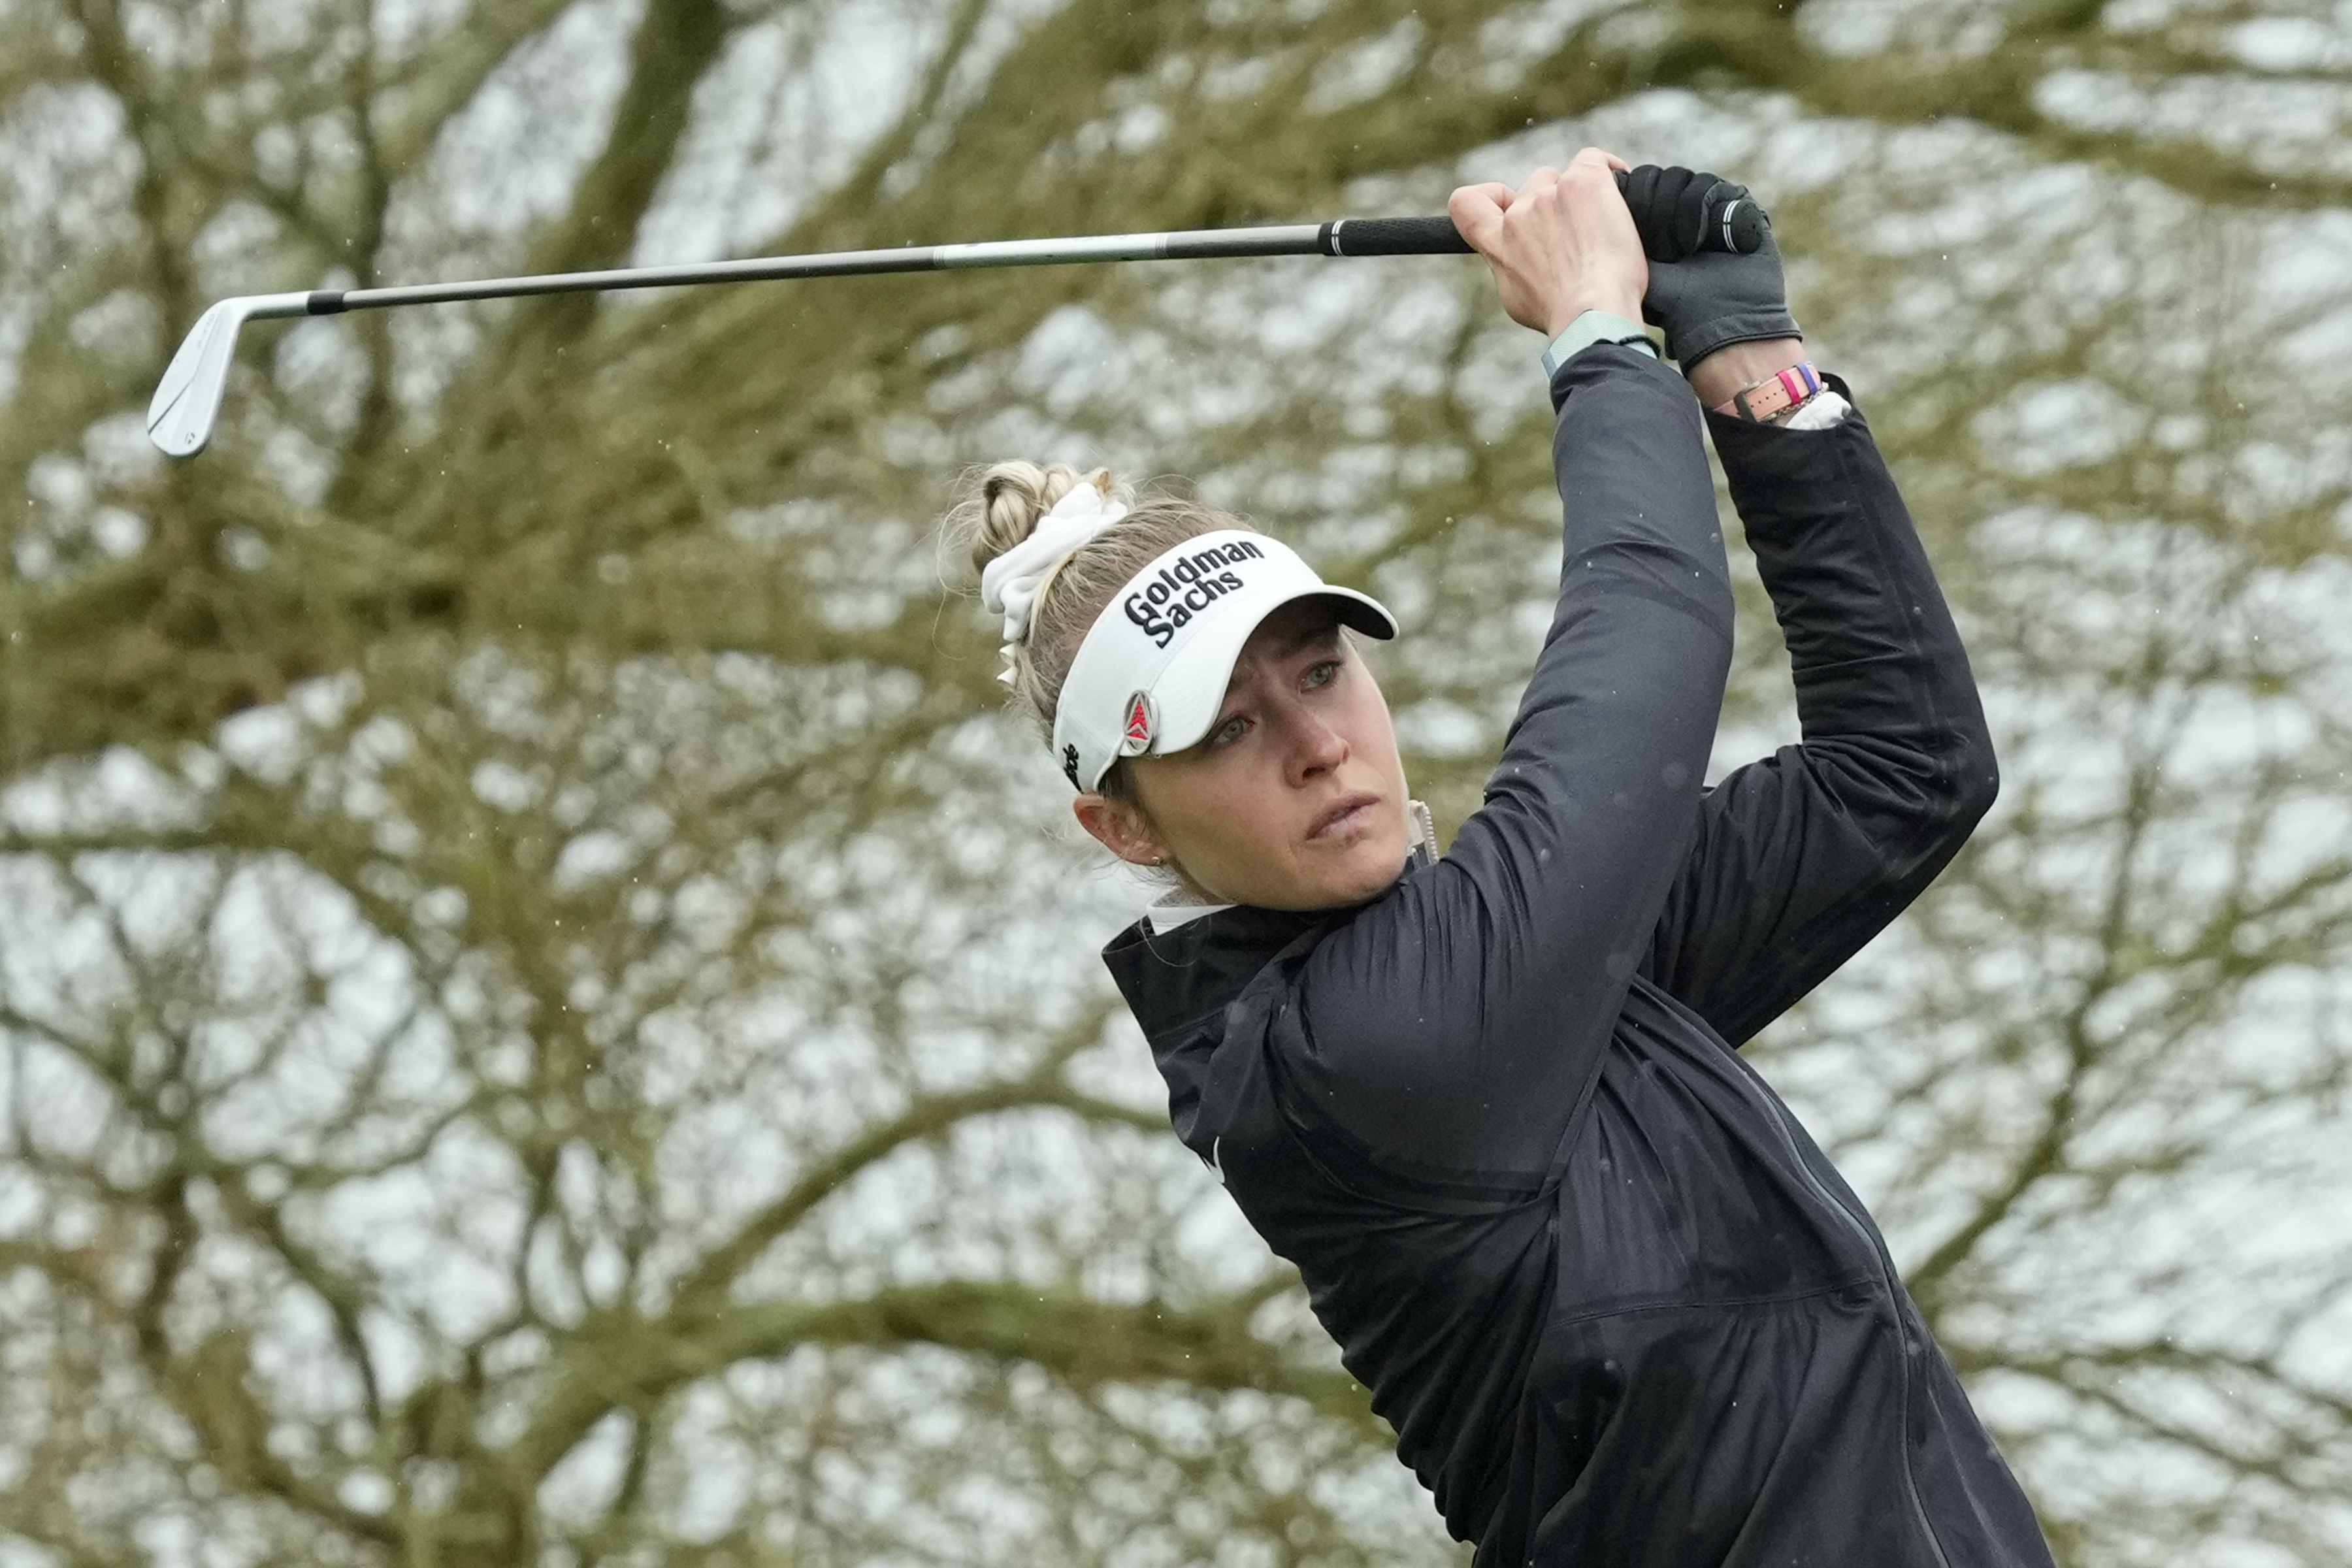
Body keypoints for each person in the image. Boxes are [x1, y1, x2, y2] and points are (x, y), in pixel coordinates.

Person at [951, 150, 2055, 1568]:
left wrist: (1748, 361)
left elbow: (1905, 769)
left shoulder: (1537, 977)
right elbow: (1649, 627)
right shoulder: (1368, 1058)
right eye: (1227, 730)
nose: (1318, 745)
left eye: (1321, 672)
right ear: (1126, 826)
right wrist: (1598, 340)